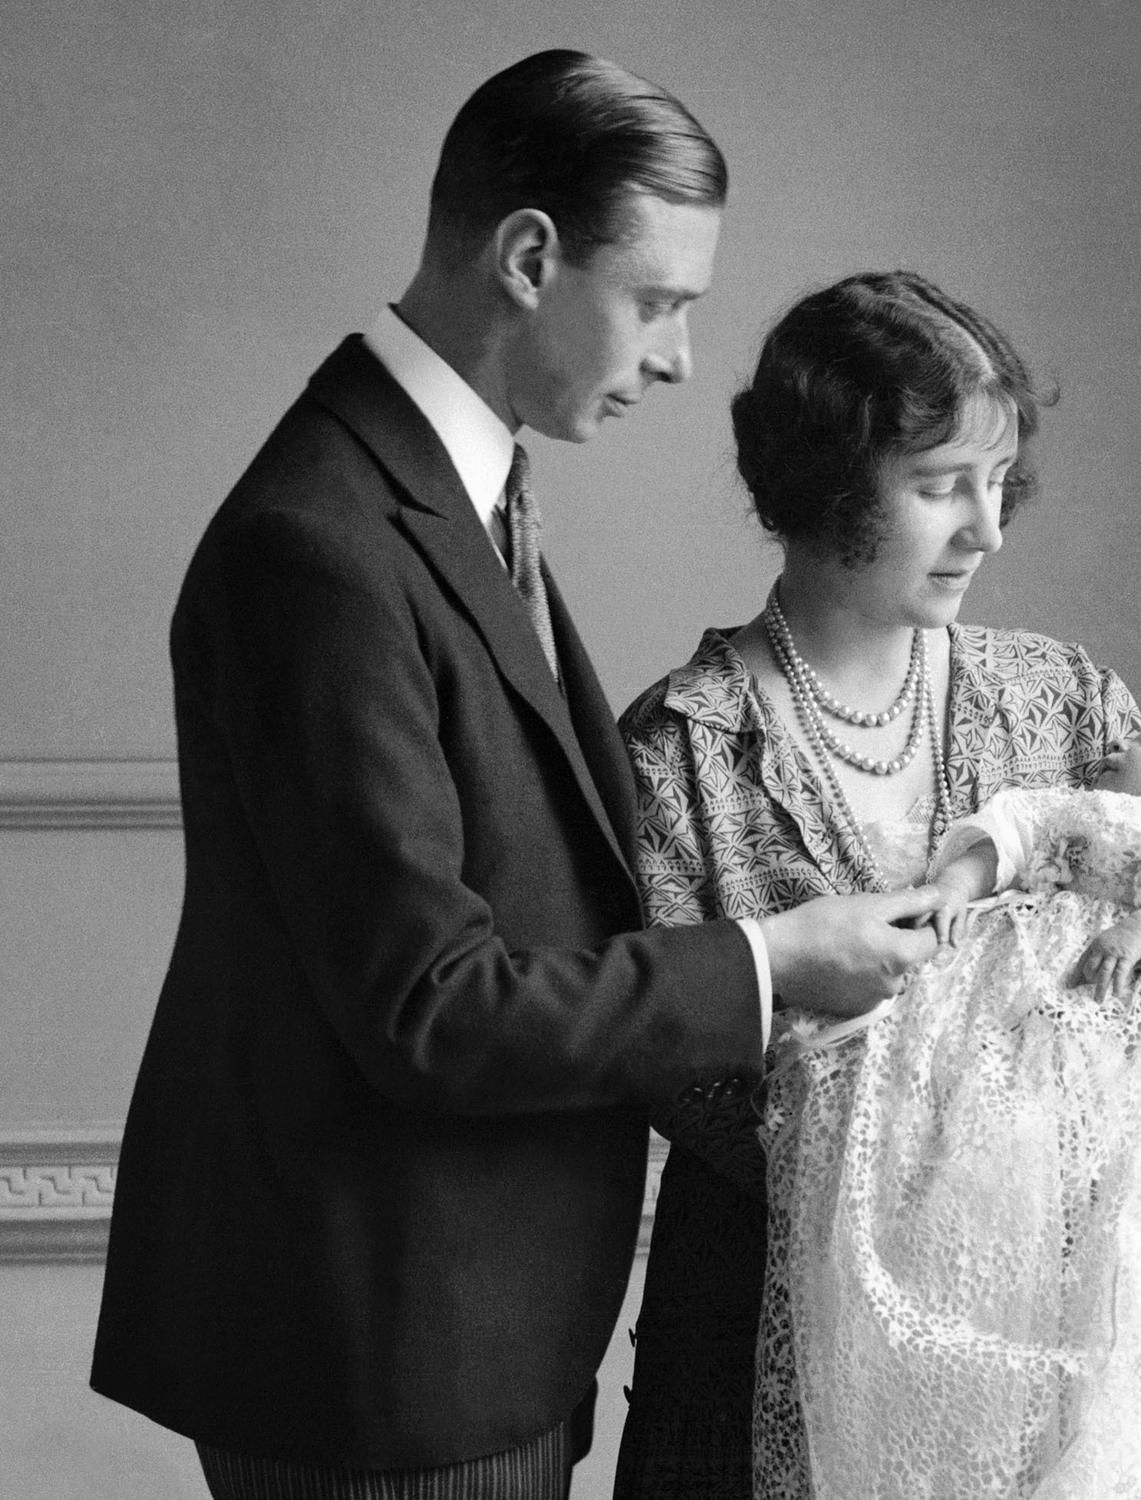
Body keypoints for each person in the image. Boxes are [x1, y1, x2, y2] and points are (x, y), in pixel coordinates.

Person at [89, 53, 944, 1500]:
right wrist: (767, 962)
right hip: (385, 1358)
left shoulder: (446, 493)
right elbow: (428, 1004)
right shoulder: (325, 542)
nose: (677, 356)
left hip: (469, 1330)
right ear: (532, 255)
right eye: (660, 303)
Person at [612, 269, 1141, 1499]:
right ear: (827, 485)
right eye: (941, 485)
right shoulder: (682, 748)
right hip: (754, 1353)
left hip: (1036, 1362)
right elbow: (677, 1066)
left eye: (998, 482)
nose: (989, 529)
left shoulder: (1065, 703)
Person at [758, 712, 1141, 1498]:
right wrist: (955, 890)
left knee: (1098, 1209)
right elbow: (1004, 838)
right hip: (996, 999)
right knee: (967, 1113)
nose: (1117, 746)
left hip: (1101, 1019)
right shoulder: (1068, 807)